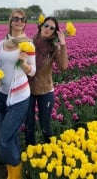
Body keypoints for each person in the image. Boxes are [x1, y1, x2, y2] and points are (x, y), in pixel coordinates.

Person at [0, 9, 36, 179]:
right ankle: (16, 170)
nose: (19, 21)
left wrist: (24, 64)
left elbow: (33, 71)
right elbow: (0, 65)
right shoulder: (1, 43)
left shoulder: (28, 45)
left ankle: (15, 175)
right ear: (11, 21)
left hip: (19, 97)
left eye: (22, 19)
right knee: (7, 137)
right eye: (16, 19)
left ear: (25, 23)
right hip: (2, 95)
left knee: (4, 140)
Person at [25, 16, 68, 146]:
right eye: (46, 26)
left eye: (52, 28)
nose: (48, 29)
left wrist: (63, 43)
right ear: (41, 26)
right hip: (27, 90)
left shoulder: (53, 48)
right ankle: (31, 152)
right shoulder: (28, 43)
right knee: (29, 124)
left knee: (45, 123)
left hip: (45, 90)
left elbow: (63, 66)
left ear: (54, 32)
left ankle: (51, 150)